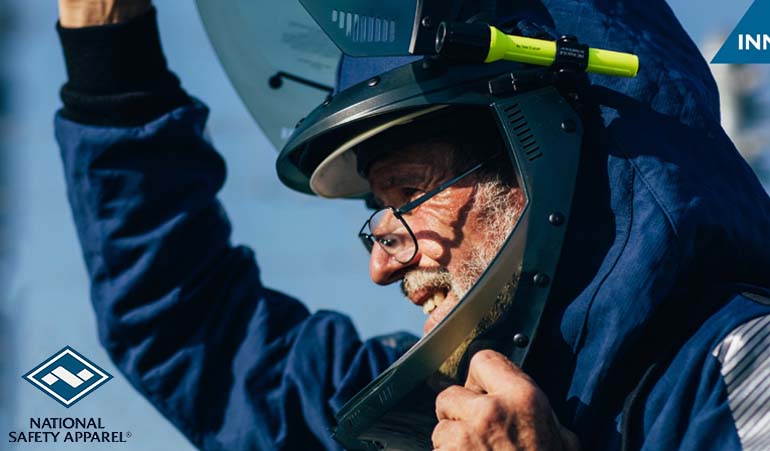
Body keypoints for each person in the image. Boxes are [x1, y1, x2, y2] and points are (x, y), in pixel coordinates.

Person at [54, 0, 770, 450]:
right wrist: (108, 61)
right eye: (377, 212)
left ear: (546, 152)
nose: (381, 263)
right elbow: (201, 338)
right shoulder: (426, 416)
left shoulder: (746, 370)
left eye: (409, 191)